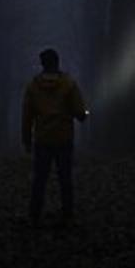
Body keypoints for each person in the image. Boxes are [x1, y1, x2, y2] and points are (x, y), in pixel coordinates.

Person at [22, 48, 88, 229]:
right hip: (63, 139)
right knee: (65, 178)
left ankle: (34, 215)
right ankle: (68, 214)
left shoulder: (33, 86)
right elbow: (80, 112)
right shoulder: (69, 84)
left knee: (39, 180)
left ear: (42, 64)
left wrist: (26, 140)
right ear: (57, 62)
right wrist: (84, 114)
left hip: (42, 139)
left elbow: (27, 116)